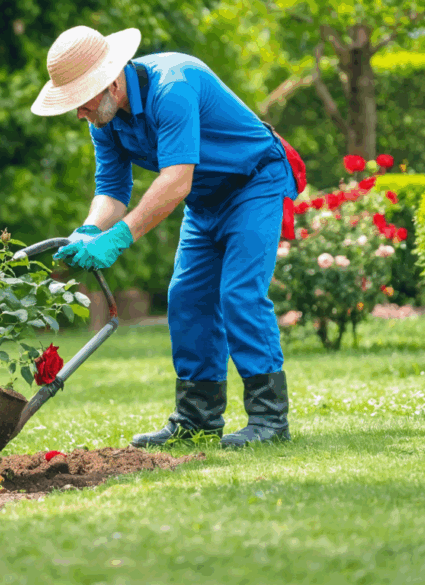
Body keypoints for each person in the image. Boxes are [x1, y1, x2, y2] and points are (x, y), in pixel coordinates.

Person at [30, 25, 303, 449]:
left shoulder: (172, 87)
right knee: (186, 297)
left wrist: (119, 238)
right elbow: (111, 190)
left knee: (239, 294)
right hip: (205, 200)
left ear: (110, 82)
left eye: (78, 100)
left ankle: (269, 422)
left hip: (255, 182)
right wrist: (88, 231)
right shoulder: (104, 119)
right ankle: (198, 420)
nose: (77, 113)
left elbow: (176, 181)